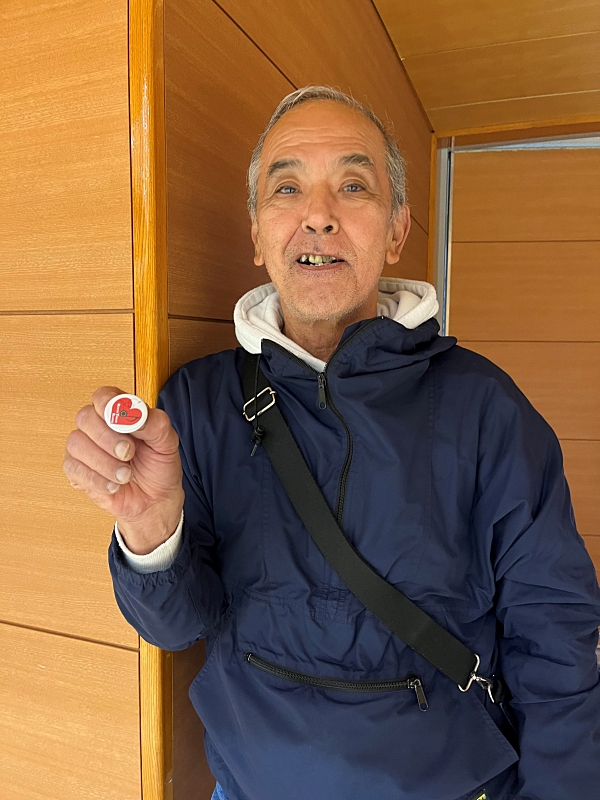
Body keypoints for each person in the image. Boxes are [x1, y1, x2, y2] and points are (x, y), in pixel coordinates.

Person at [63, 86, 600, 800]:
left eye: (353, 186)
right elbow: (176, 626)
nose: (318, 215)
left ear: (397, 230)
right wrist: (149, 529)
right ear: (257, 235)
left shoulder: (487, 409)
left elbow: (557, 639)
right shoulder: (196, 403)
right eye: (287, 189)